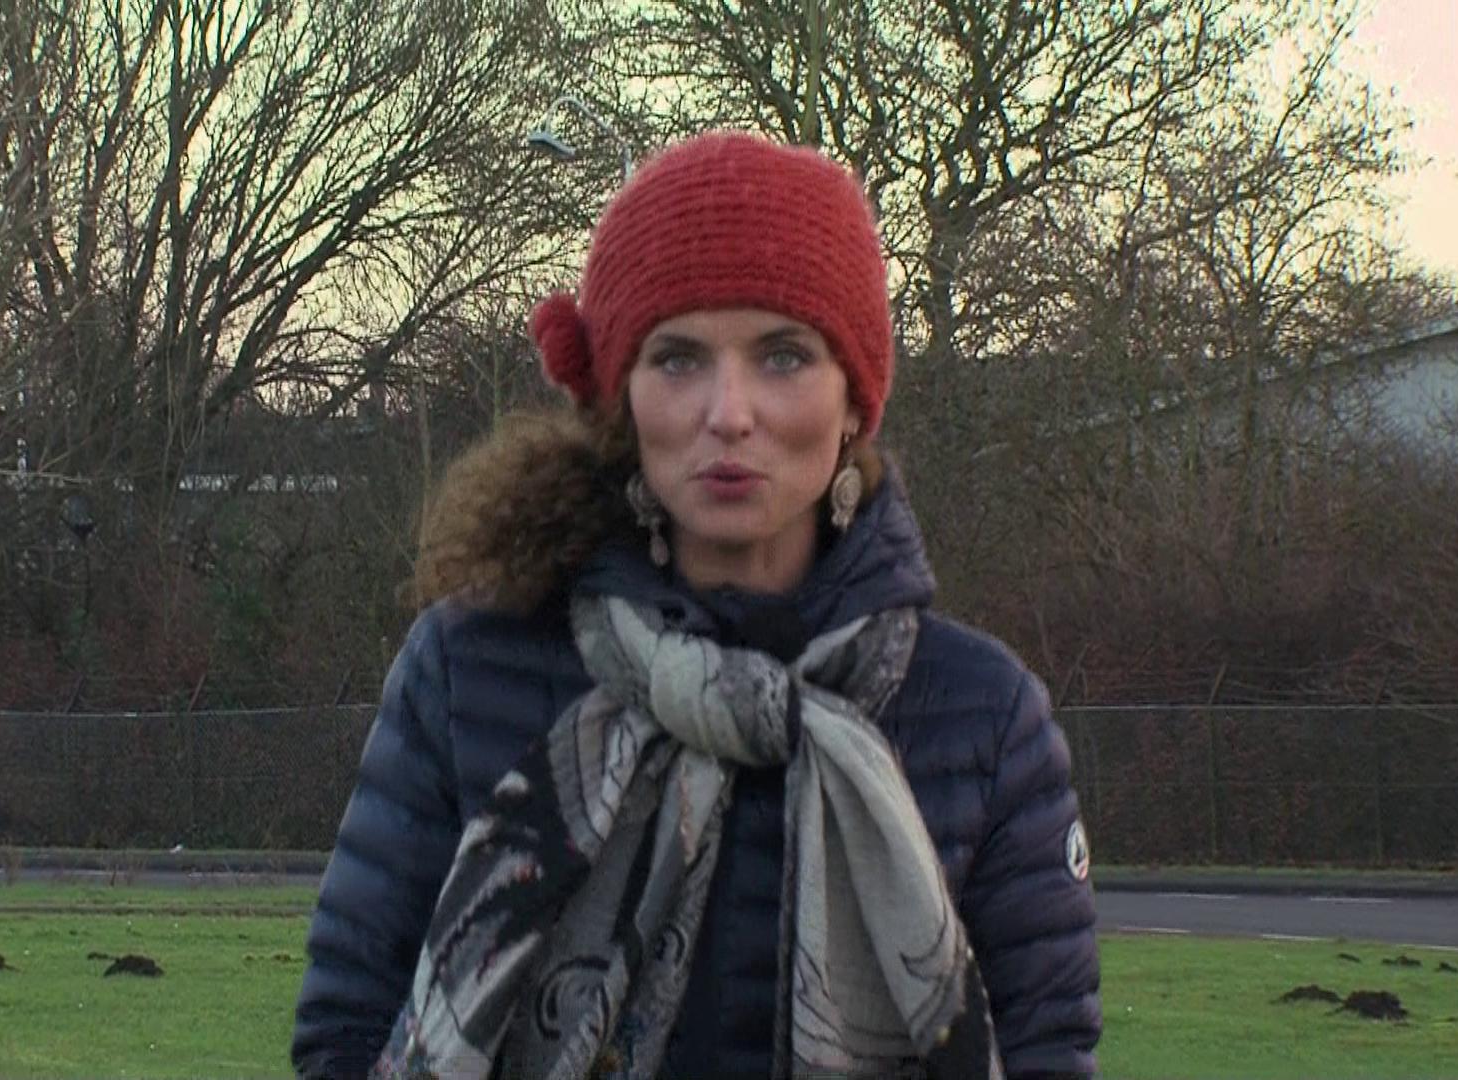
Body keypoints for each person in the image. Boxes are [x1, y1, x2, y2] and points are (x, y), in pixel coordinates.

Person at [292, 131, 1099, 1080]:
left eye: (783, 356)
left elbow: (1047, 1054)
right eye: (677, 359)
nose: (729, 412)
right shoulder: (467, 672)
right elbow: (348, 1033)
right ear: (621, 397)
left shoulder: (983, 716)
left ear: (854, 398)